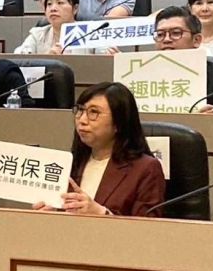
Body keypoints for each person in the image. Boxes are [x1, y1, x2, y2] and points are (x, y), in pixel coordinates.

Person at [33, 82, 165, 217]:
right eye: (80, 110)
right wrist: (51, 214)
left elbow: (148, 227)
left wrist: (102, 214)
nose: (82, 120)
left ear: (118, 123)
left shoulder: (146, 169)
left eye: (93, 112)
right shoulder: (71, 163)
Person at [153, 6, 213, 114]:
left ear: (196, 40)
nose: (166, 39)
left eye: (176, 33)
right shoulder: (141, 72)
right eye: (160, 34)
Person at [14, 0, 89, 55]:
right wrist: (47, 58)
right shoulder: (38, 35)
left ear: (75, 9)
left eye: (60, 3)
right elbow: (19, 56)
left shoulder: (89, 33)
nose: (53, 9)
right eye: (49, 4)